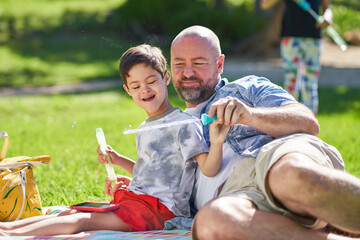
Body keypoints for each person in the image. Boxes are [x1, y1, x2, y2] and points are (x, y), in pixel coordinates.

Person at [0, 44, 230, 236]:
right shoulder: (145, 127)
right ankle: (6, 228)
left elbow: (208, 169)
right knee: (70, 214)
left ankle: (9, 235)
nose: (145, 90)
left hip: (159, 212)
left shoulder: (184, 125)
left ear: (166, 77)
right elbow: (148, 171)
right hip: (139, 201)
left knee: (83, 221)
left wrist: (217, 142)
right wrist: (118, 160)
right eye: (136, 86)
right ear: (127, 90)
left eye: (151, 81)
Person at [170, 25, 360, 239]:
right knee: (213, 222)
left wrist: (250, 115)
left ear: (219, 64)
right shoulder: (172, 127)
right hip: (236, 195)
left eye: (198, 63)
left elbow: (307, 122)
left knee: (291, 176)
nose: (187, 72)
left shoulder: (248, 87)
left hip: (274, 157)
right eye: (179, 64)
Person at [261, 0, 333, 114]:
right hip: (290, 37)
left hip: (313, 38)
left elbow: (327, 9)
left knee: (311, 84)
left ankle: (310, 123)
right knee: (291, 82)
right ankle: (290, 119)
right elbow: (264, 4)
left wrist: (327, 18)